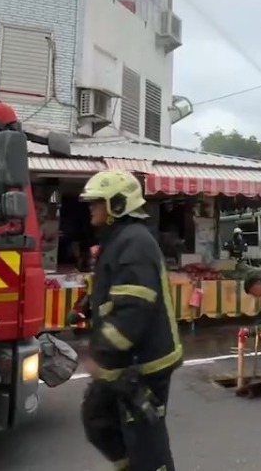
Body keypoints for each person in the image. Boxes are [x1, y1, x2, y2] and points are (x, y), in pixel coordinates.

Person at [78, 170, 182, 471]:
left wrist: (100, 352)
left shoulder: (134, 242)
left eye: (97, 202)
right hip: (123, 361)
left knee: (145, 439)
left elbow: (133, 310)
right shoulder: (118, 240)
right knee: (98, 420)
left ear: (118, 205)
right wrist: (86, 306)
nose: (90, 207)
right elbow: (113, 287)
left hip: (145, 363)